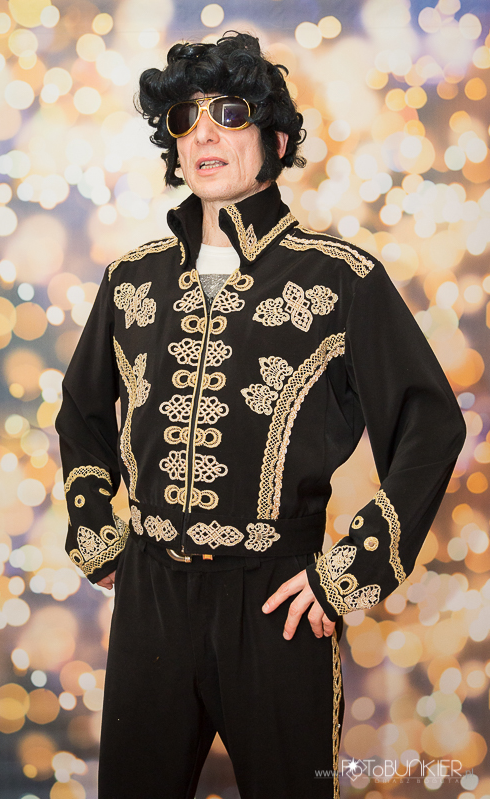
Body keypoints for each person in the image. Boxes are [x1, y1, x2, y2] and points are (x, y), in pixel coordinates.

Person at [55, 31, 466, 799]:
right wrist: (93, 526)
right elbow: (81, 411)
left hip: (280, 599)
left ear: (274, 141)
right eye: (184, 119)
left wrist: (349, 568)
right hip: (150, 597)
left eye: (228, 113)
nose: (202, 133)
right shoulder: (130, 279)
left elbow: (429, 423)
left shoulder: (340, 279)